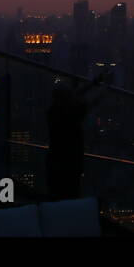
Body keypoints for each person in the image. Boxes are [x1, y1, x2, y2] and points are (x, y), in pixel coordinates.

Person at [45, 70, 110, 199]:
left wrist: (93, 83)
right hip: (70, 163)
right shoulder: (71, 113)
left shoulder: (54, 110)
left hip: (55, 161)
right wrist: (106, 87)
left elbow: (74, 95)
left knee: (56, 194)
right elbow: (92, 102)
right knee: (70, 193)